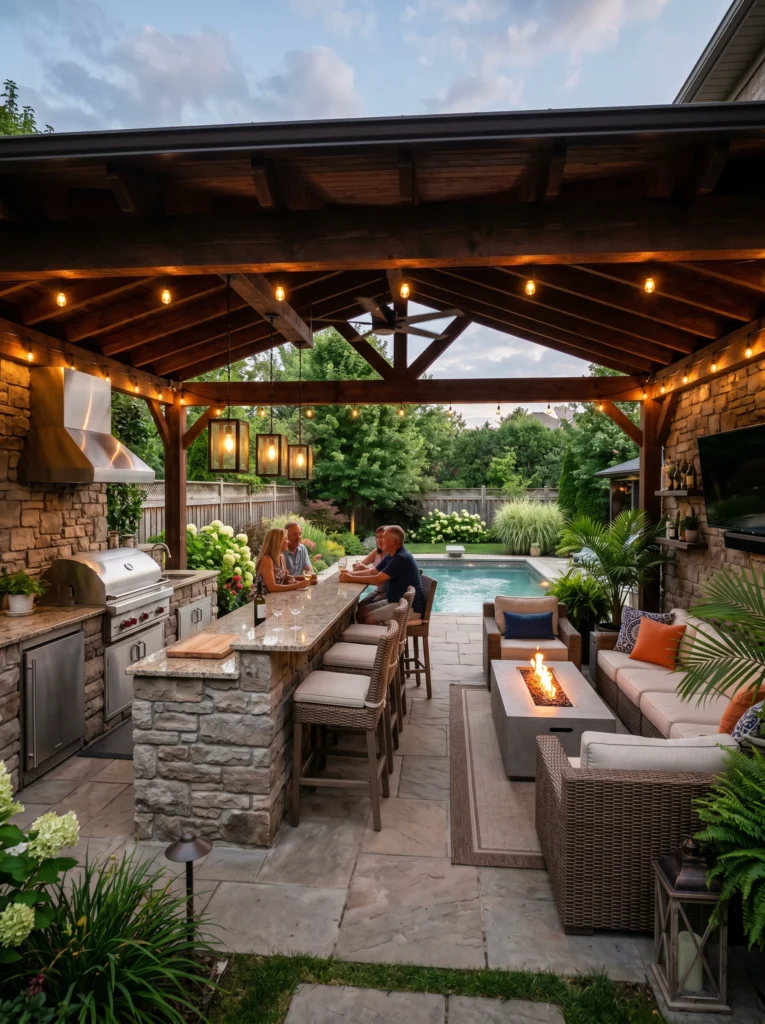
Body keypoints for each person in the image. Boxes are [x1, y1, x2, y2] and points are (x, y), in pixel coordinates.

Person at [339, 525, 425, 623]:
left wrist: (350, 579)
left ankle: (383, 637)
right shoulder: (391, 555)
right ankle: (368, 636)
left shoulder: (401, 558)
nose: (380, 540)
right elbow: (373, 571)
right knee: (360, 613)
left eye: (383, 538)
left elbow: (377, 580)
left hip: (409, 606)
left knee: (369, 619)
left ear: (392, 541)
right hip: (394, 601)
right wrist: (351, 573)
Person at [256, 528, 311, 594]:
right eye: (286, 539)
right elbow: (272, 587)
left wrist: (289, 580)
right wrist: (297, 585)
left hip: (276, 598)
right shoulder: (267, 560)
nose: (288, 541)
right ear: (278, 541)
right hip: (261, 600)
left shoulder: (281, 557)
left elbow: (284, 579)